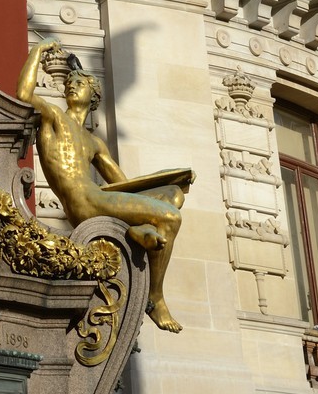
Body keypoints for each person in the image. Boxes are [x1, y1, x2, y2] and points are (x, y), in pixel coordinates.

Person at [17, 40, 193, 332]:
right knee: (170, 217)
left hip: (97, 196)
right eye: (69, 83)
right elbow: (23, 94)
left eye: (79, 82)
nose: (71, 86)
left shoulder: (94, 143)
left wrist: (166, 179)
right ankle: (156, 296)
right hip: (83, 201)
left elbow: (125, 187)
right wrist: (37, 51)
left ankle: (135, 233)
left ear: (93, 94)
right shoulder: (54, 118)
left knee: (172, 196)